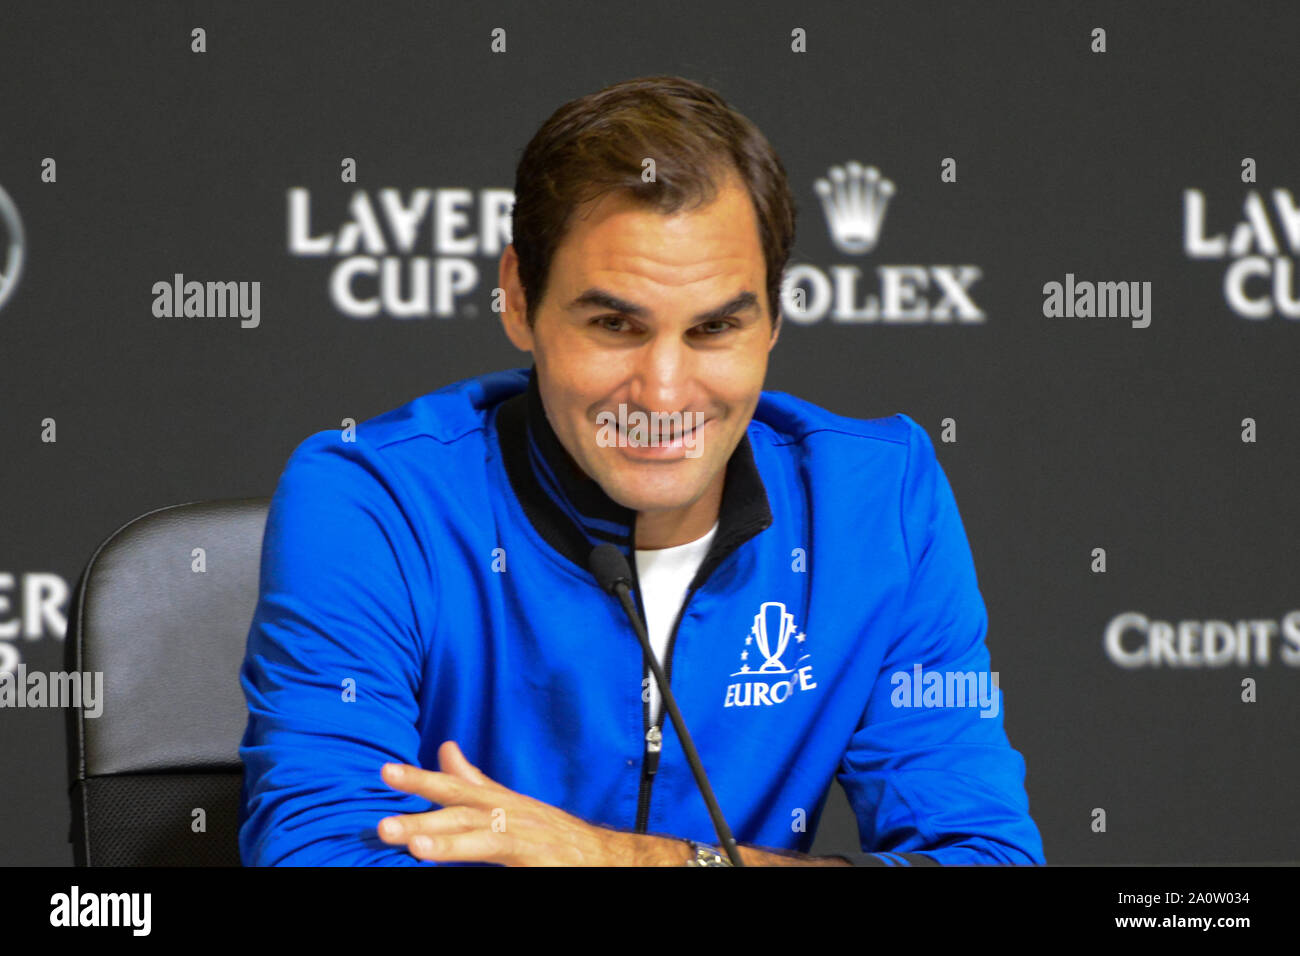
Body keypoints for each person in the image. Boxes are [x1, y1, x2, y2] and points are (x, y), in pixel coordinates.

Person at [237, 74, 1045, 866]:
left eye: (714, 328)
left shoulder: (880, 503)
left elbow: (989, 858)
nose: (663, 393)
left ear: (774, 316)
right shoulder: (369, 502)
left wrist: (616, 860)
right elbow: (320, 856)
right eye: (615, 324)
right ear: (519, 299)